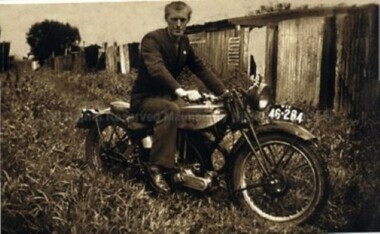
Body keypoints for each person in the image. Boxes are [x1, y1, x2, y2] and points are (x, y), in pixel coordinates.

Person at [130, 1, 227, 194]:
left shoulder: (184, 43)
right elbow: (156, 68)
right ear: (166, 19)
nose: (178, 24)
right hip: (145, 99)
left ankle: (193, 162)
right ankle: (156, 168)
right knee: (171, 111)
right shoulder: (151, 40)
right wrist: (180, 91)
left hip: (166, 96)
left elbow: (200, 68)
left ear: (188, 21)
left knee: (198, 111)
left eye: (183, 20)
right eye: (174, 19)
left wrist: (223, 92)